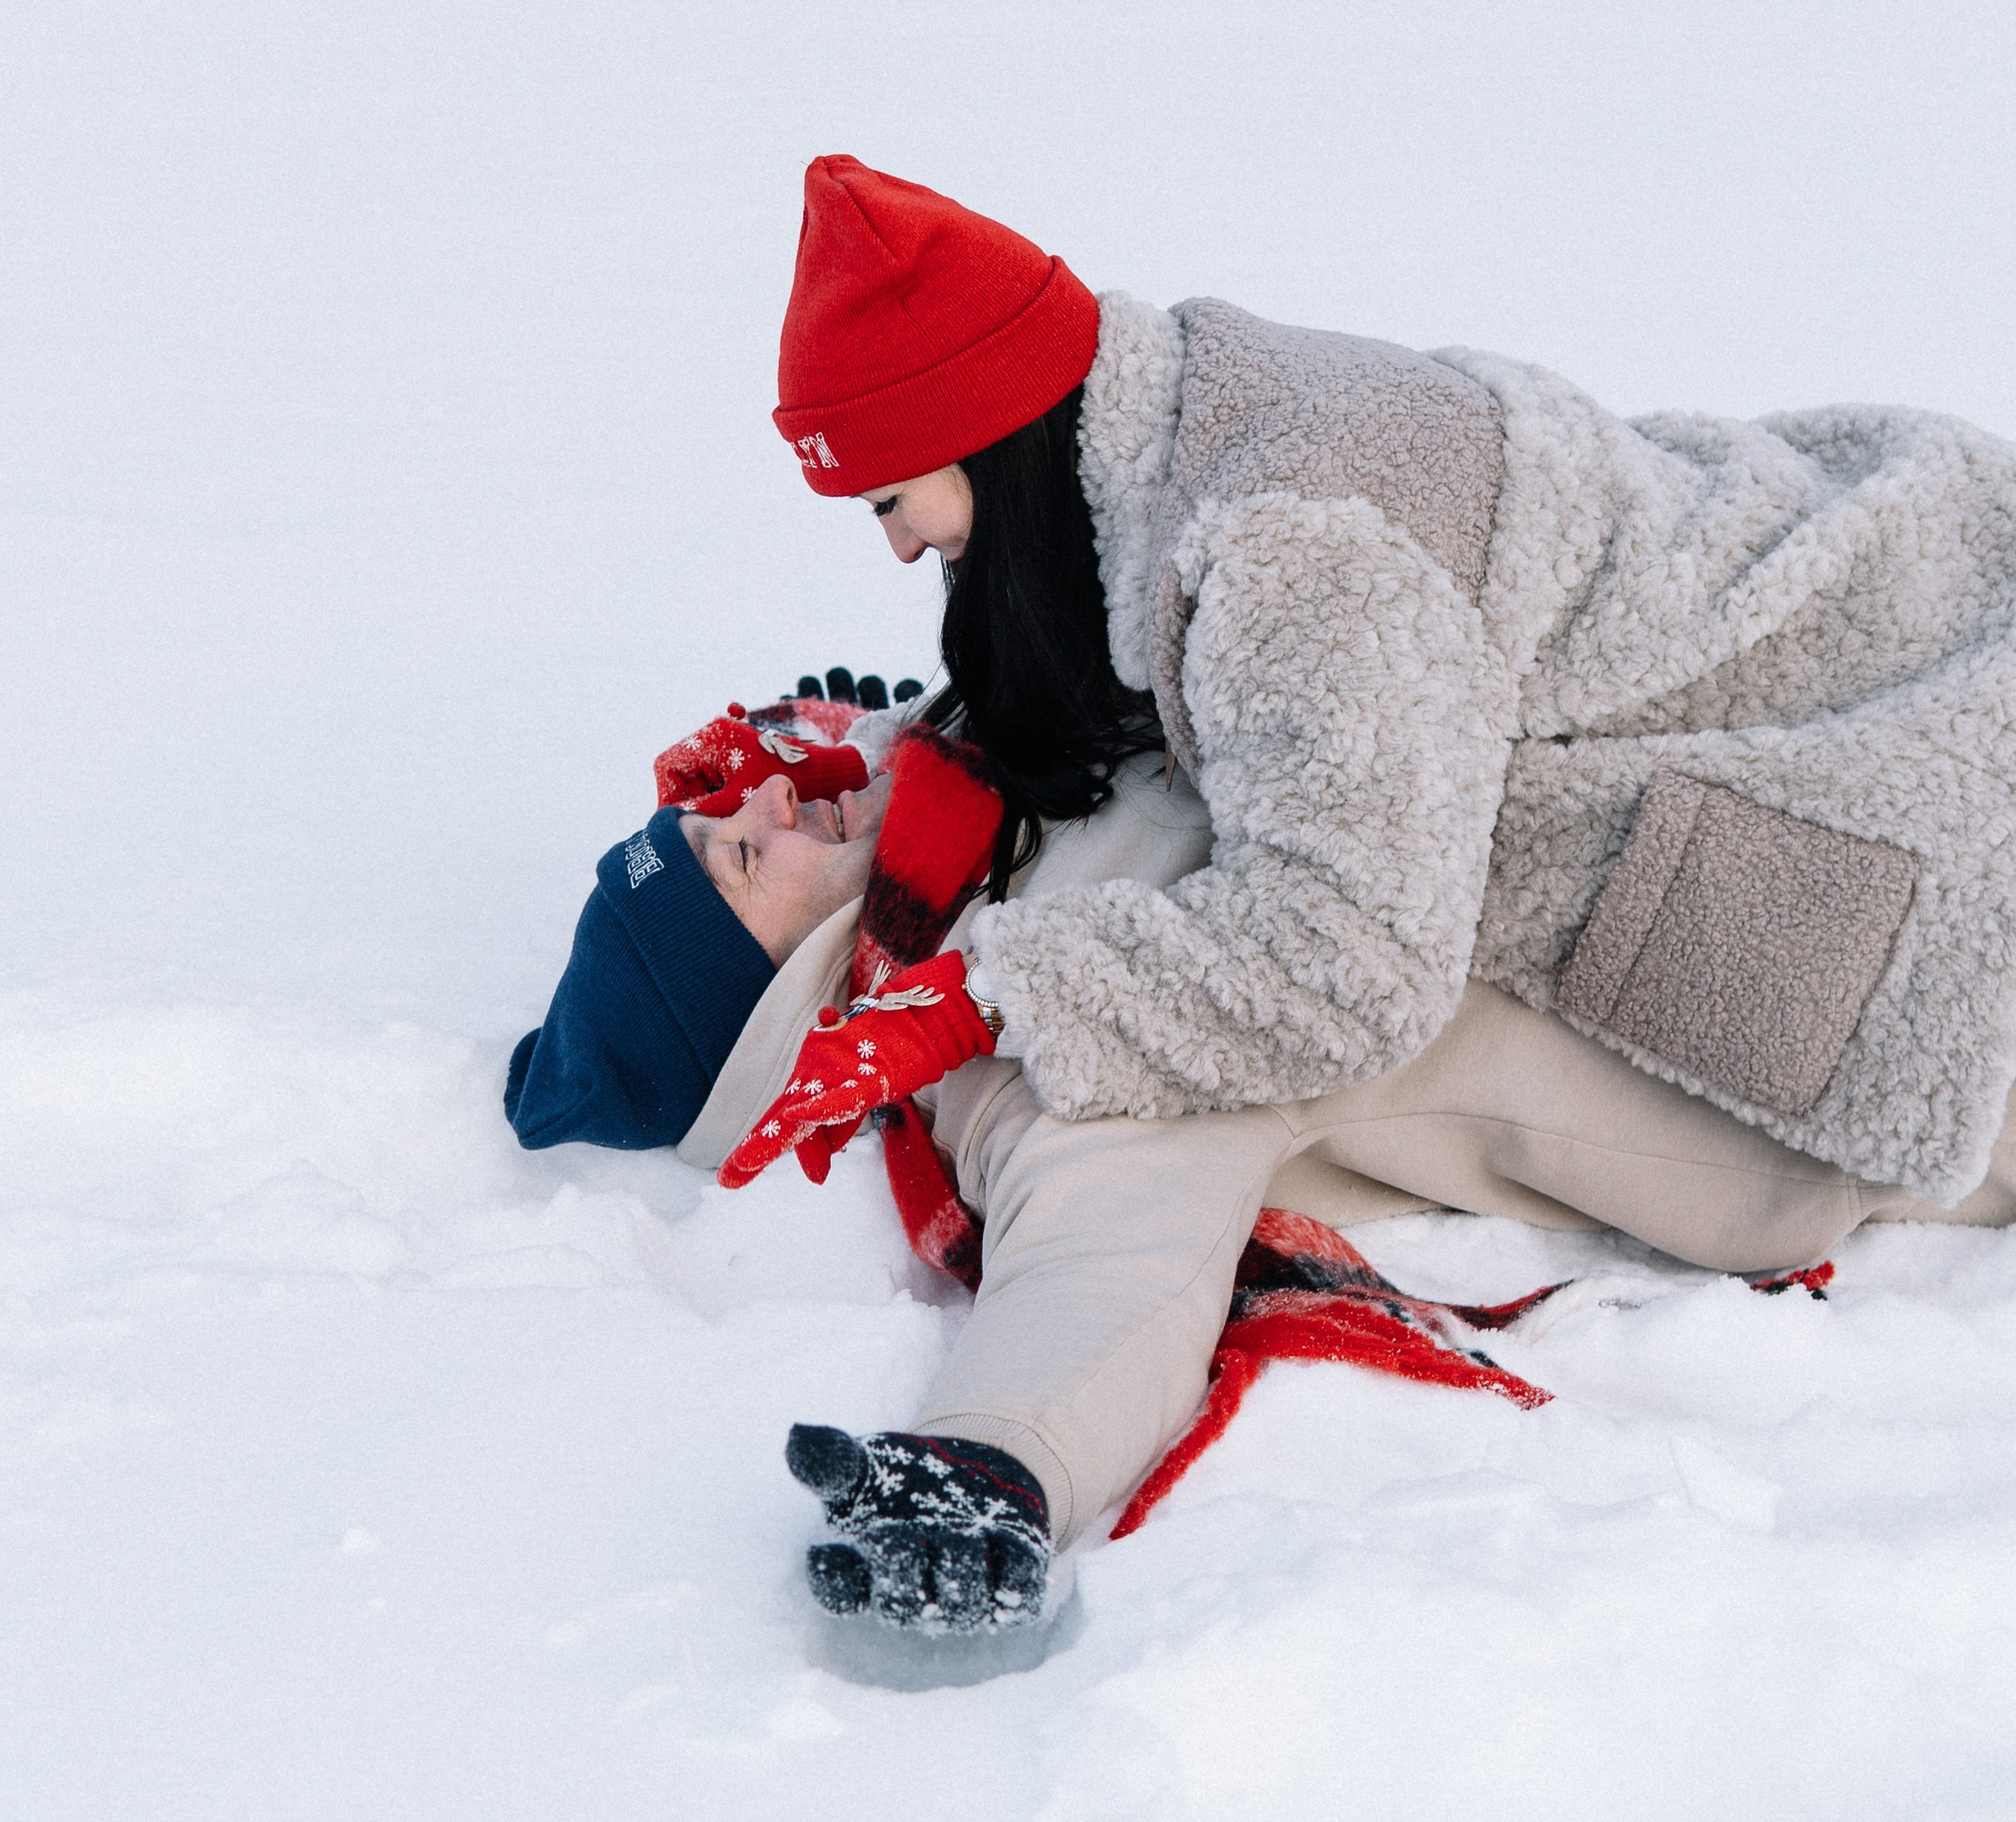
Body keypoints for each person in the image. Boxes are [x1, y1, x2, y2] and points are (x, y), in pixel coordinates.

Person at [675, 149, 2016, 1625]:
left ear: (995, 436)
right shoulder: (1180, 431)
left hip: (1917, 824)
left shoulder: (1276, 555)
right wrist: (1001, 1454)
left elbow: (1341, 943)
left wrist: (975, 975)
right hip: (1850, 909)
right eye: (737, 851)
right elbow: (1139, 1177)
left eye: (896, 493)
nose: (901, 545)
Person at [518, 673, 2016, 1635]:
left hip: (1770, 815)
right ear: (776, 1004)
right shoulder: (1028, 1040)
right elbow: (1111, 1255)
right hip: (1821, 1035)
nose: (767, 801)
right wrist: (993, 1459)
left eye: (724, 812)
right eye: (736, 856)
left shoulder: (973, 817)